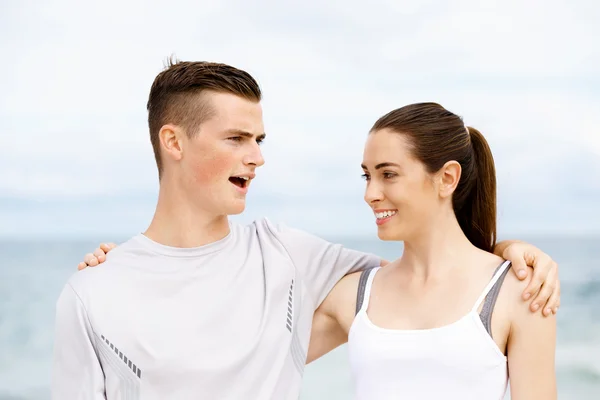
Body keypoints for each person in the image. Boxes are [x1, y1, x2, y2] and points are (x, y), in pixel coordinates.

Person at [57, 59, 560, 400]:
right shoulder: (93, 295)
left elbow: (437, 282)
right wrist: (120, 271)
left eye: (258, 139)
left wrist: (512, 253)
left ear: (447, 177)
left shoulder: (286, 255)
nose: (257, 157)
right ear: (174, 141)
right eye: (236, 138)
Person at [305, 103, 557, 399]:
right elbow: (253, 363)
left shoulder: (520, 291)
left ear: (448, 178)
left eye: (388, 174)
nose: (370, 194)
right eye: (367, 176)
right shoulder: (354, 296)